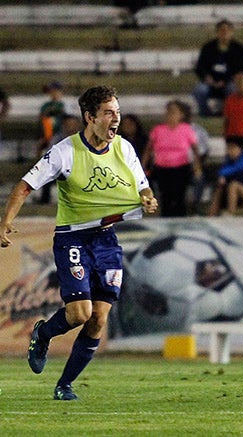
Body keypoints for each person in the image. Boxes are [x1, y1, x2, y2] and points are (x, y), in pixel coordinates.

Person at [0, 85, 158, 401]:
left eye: (118, 112)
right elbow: (24, 187)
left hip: (106, 239)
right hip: (72, 237)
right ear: (90, 117)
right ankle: (42, 333)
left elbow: (142, 188)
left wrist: (148, 200)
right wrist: (5, 222)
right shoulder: (64, 153)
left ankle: (65, 385)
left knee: (99, 317)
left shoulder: (124, 149)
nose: (116, 119)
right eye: (109, 113)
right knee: (78, 314)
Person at [142, 100, 202, 217]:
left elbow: (195, 150)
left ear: (181, 115)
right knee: (165, 196)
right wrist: (143, 166)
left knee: (179, 195)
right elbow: (149, 149)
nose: (170, 115)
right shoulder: (158, 130)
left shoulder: (186, 129)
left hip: (181, 167)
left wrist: (197, 166)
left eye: (174, 112)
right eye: (168, 112)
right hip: (162, 167)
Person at [193, 19, 243, 117]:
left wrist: (226, 80)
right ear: (217, 32)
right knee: (199, 90)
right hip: (210, 82)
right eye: (221, 30)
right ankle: (206, 114)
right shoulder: (208, 47)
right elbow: (200, 67)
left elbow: (241, 68)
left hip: (229, 82)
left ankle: (229, 114)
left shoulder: (238, 49)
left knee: (233, 89)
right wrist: (208, 78)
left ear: (231, 32)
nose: (224, 33)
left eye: (227, 30)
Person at [208, 137, 243, 216]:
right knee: (220, 186)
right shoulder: (228, 162)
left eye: (233, 148)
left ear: (240, 149)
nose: (230, 151)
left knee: (234, 185)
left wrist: (227, 177)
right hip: (229, 193)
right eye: (228, 148)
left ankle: (230, 214)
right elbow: (221, 173)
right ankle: (211, 214)